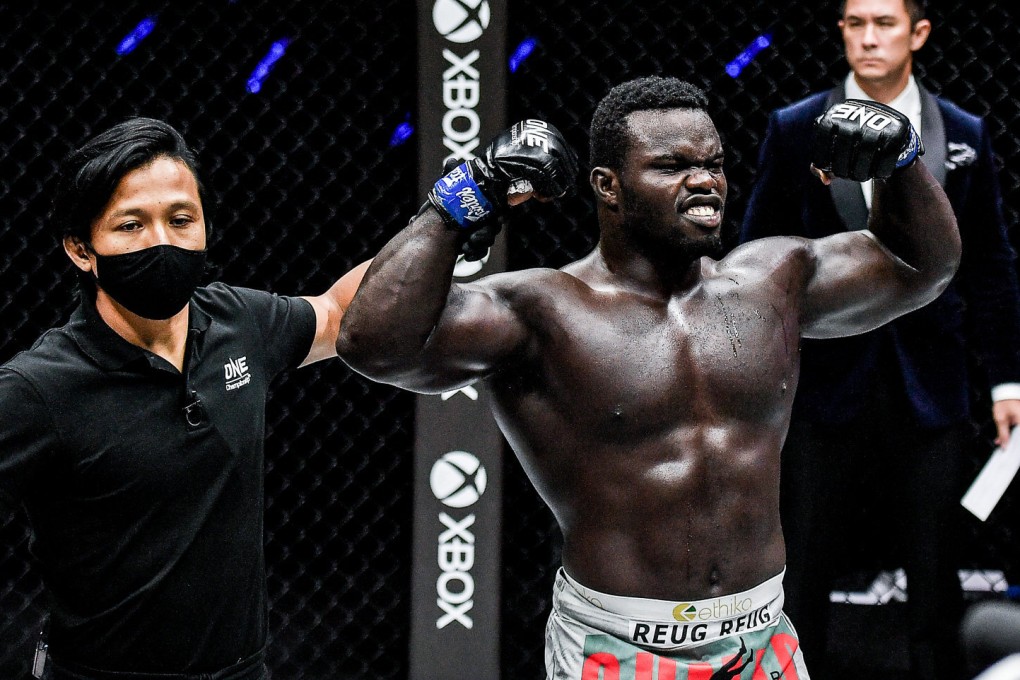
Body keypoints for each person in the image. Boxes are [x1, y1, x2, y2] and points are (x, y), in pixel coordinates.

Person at [337, 76, 960, 678]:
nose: (704, 182)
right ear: (608, 185)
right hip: (618, 646)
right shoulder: (542, 310)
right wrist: (463, 197)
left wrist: (902, 163)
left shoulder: (772, 282)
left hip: (762, 637)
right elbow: (374, 345)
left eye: (713, 163)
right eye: (671, 167)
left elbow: (920, 266)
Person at [0, 117, 370, 680]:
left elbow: (341, 312)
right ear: (81, 249)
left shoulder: (238, 321)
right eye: (131, 225)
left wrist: (447, 222)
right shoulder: (38, 390)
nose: (162, 243)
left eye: (181, 220)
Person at [738, 1, 1020, 677]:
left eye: (884, 23)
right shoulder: (797, 126)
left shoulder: (962, 131)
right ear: (839, 29)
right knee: (801, 566)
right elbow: (753, 255)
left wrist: (1008, 382)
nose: (868, 37)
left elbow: (990, 264)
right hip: (821, 385)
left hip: (932, 385)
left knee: (934, 572)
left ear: (918, 33)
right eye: (854, 23)